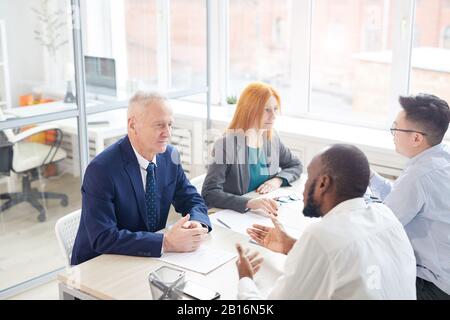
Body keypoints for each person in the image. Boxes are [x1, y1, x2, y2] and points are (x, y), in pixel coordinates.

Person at [235, 144, 417, 299]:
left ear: (323, 183)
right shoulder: (386, 215)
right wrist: (292, 247)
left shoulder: (321, 235)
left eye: (308, 178)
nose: (303, 189)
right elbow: (350, 266)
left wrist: (245, 279)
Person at [71, 92, 211, 265]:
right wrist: (166, 242)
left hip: (145, 258)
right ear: (132, 125)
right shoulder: (101, 170)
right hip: (100, 264)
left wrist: (197, 224)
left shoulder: (169, 156)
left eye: (170, 124)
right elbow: (103, 238)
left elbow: (191, 199)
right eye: (159, 125)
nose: (167, 133)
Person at [369, 94, 450, 300]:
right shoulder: (439, 160)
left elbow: (381, 225)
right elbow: (400, 196)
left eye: (395, 129)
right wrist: (370, 176)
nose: (393, 134)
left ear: (416, 138)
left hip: (433, 286)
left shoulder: (419, 176)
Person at [202, 82, 302, 216]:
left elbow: (295, 165)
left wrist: (278, 180)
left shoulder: (271, 138)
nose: (273, 116)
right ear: (250, 110)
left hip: (260, 211)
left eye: (275, 109)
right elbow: (210, 193)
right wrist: (248, 203)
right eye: (267, 110)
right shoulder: (226, 144)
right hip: (231, 214)